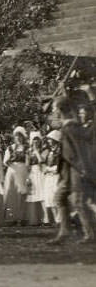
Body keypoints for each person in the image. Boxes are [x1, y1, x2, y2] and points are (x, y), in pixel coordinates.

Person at [50, 89, 96, 244]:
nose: (54, 113)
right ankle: (65, 232)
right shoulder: (68, 126)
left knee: (79, 202)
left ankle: (89, 234)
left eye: (55, 110)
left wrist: (83, 170)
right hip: (67, 171)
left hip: (76, 170)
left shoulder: (71, 127)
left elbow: (78, 152)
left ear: (61, 111)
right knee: (61, 198)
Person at [2, 126, 29, 225]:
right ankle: (11, 218)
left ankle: (22, 218)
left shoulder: (26, 148)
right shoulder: (10, 148)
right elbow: (5, 162)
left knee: (21, 193)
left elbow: (28, 161)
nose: (18, 138)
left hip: (22, 171)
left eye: (20, 136)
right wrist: (9, 161)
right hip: (12, 171)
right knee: (11, 193)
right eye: (17, 136)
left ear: (23, 137)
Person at [26, 131, 46, 226]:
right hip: (32, 174)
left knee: (42, 195)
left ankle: (46, 219)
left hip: (41, 172)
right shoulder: (28, 151)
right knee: (33, 196)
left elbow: (42, 160)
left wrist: (37, 151)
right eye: (34, 139)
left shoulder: (44, 150)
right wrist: (27, 177)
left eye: (37, 139)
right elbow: (27, 165)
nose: (35, 141)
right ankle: (34, 220)